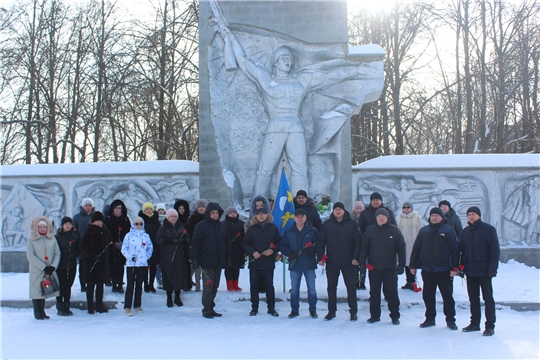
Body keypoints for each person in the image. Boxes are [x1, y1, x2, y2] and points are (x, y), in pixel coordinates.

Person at [218, 26, 377, 197]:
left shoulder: (301, 80)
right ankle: (259, 205)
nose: (287, 61)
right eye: (283, 58)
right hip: (275, 128)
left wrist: (357, 70)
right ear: (275, 62)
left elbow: (329, 76)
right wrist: (230, 38)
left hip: (295, 127)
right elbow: (243, 60)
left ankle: (301, 205)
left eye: (289, 58)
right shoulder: (266, 79)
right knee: (265, 169)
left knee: (300, 169)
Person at [409, 207, 460, 330]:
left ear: (442, 217)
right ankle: (430, 318)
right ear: (430, 217)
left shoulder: (448, 231)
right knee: (428, 295)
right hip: (427, 270)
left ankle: (450, 319)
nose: (435, 218)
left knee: (447, 296)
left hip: (443, 270)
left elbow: (455, 250)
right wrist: (413, 265)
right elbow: (416, 249)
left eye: (437, 215)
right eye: (432, 216)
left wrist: (454, 267)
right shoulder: (423, 231)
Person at [359, 208, 406, 325]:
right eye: (379, 216)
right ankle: (375, 315)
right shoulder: (370, 231)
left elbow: (401, 248)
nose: (381, 218)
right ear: (376, 218)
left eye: (383, 216)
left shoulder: (394, 231)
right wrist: (362, 263)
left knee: (392, 292)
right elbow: (364, 248)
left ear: (387, 218)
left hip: (390, 268)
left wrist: (401, 264)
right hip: (374, 267)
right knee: (374, 293)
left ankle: (395, 316)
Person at [317, 202, 361, 321]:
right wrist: (320, 257)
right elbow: (321, 242)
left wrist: (356, 258)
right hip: (332, 261)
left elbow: (358, 242)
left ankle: (353, 312)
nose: (337, 211)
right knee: (331, 287)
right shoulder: (327, 224)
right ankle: (331, 311)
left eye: (340, 209)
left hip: (348, 262)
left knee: (351, 287)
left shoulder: (352, 224)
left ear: (344, 210)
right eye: (335, 209)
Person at [460, 206, 501, 336]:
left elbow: (494, 251)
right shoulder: (465, 231)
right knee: (473, 298)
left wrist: (492, 269)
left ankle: (490, 326)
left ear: (479, 215)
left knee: (488, 299)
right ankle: (474, 323)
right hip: (470, 271)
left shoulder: (488, 230)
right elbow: (462, 251)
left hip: (484, 271)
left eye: (473, 214)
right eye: (469, 214)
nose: (471, 216)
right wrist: (461, 266)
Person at [191, 202, 232, 319]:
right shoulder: (201, 226)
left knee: (215, 286)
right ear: (208, 214)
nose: (215, 215)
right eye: (212, 213)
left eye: (217, 213)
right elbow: (195, 243)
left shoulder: (222, 226)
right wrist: (194, 258)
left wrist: (229, 255)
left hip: (218, 262)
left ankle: (211, 307)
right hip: (206, 262)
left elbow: (227, 243)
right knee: (208, 287)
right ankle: (206, 309)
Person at [242, 196, 281, 317]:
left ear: (267, 215)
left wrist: (272, 250)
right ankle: (254, 308)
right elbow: (245, 243)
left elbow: (279, 242)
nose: (261, 216)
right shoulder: (251, 229)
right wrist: (252, 252)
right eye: (259, 214)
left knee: (269, 285)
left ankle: (271, 308)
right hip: (255, 262)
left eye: (263, 214)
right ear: (255, 216)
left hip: (268, 262)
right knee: (254, 286)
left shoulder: (273, 228)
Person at [280, 208, 319, 319]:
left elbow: (319, 244)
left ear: (306, 218)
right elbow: (282, 245)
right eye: (298, 216)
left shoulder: (313, 231)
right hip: (295, 264)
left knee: (311, 289)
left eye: (302, 216)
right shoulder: (289, 231)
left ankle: (313, 310)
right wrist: (289, 253)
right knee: (294, 289)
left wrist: (311, 250)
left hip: (309, 264)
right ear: (294, 218)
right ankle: (294, 310)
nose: (300, 218)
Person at [79, 211, 115, 314]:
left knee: (100, 285)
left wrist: (111, 258)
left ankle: (99, 305)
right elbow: (83, 246)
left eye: (100, 220)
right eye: (97, 221)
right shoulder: (88, 231)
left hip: (102, 263)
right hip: (91, 263)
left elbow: (110, 244)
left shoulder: (105, 230)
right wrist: (92, 256)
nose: (99, 223)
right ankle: (90, 306)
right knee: (91, 285)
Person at [26, 216, 61, 320]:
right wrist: (43, 266)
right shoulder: (31, 240)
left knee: (45, 291)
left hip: (49, 269)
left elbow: (57, 253)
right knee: (36, 292)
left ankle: (42, 311)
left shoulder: (52, 239)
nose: (42, 229)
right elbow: (30, 256)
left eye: (44, 227)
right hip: (37, 270)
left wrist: (53, 266)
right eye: (40, 227)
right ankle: (37, 313)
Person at [121, 216, 153, 316]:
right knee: (130, 285)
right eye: (136, 224)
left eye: (140, 224)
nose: (138, 226)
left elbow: (150, 248)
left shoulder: (146, 236)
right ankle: (127, 306)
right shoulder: (129, 236)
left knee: (139, 285)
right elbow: (124, 249)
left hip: (142, 264)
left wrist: (145, 257)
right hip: (131, 264)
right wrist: (130, 257)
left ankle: (137, 304)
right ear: (133, 225)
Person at [156, 209, 188, 308]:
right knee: (168, 276)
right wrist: (170, 241)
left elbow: (187, 237)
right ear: (167, 217)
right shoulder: (163, 228)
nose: (173, 218)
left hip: (179, 256)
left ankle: (177, 297)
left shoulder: (181, 227)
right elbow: (159, 239)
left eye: (175, 217)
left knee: (178, 276)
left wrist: (183, 241)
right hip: (167, 256)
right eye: (171, 217)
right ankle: (169, 297)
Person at [54, 216, 80, 316]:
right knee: (61, 286)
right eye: (66, 224)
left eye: (69, 224)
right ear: (62, 225)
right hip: (61, 265)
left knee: (68, 286)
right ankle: (60, 306)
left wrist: (74, 254)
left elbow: (78, 249)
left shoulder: (75, 236)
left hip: (71, 264)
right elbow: (55, 250)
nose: (68, 226)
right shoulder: (58, 237)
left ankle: (67, 306)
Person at [104, 199, 131, 294]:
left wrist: (123, 242)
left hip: (123, 245)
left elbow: (128, 233)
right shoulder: (108, 219)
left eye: (120, 208)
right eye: (116, 208)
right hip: (112, 245)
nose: (118, 210)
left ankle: (120, 284)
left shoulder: (125, 219)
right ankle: (114, 283)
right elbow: (106, 233)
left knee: (120, 265)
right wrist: (113, 241)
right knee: (113, 264)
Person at [396, 202, 424, 290]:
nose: (406, 209)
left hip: (413, 243)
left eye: (408, 207)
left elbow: (421, 231)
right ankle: (408, 281)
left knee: (412, 262)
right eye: (404, 207)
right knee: (404, 262)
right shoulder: (399, 218)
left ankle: (412, 281)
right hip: (402, 244)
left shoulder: (417, 218)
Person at [73, 197, 95, 292]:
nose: (88, 207)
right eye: (86, 205)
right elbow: (74, 230)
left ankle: (91, 283)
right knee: (82, 266)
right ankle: (83, 284)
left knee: (92, 266)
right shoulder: (77, 217)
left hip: (93, 245)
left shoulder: (95, 216)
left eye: (90, 205)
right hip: (82, 245)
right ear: (83, 206)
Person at [138, 202, 160, 293]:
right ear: (143, 210)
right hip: (143, 246)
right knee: (144, 266)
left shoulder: (156, 221)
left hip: (154, 245)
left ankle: (151, 284)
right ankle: (146, 284)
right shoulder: (140, 221)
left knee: (153, 265)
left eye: (150, 209)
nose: (148, 210)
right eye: (147, 209)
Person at [187, 199, 208, 292]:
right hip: (195, 243)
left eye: (203, 207)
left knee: (203, 266)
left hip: (206, 245)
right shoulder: (192, 218)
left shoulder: (208, 217)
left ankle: (202, 286)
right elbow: (189, 230)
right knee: (194, 265)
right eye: (200, 207)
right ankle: (195, 285)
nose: (201, 208)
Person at [223, 206, 246, 292]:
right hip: (228, 249)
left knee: (236, 267)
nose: (233, 214)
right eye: (231, 213)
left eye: (234, 213)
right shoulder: (224, 224)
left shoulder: (241, 223)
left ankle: (236, 284)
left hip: (238, 249)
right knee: (229, 267)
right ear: (228, 214)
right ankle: (229, 284)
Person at [175, 199, 193, 292]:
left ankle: (187, 284)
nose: (181, 210)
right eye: (180, 208)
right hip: (176, 246)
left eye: (183, 208)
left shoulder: (188, 221)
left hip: (186, 246)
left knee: (186, 266)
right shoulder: (174, 221)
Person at [351, 200, 366, 290]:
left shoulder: (365, 217)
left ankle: (362, 281)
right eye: (357, 208)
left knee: (363, 265)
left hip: (364, 244)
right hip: (354, 244)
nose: (358, 210)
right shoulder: (351, 218)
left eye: (360, 208)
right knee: (354, 265)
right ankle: (355, 281)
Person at [155, 202, 167, 289]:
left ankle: (164, 279)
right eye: (159, 210)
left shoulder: (167, 220)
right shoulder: (155, 220)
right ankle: (159, 279)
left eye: (162, 210)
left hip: (165, 245)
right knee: (157, 264)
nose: (161, 211)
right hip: (156, 244)